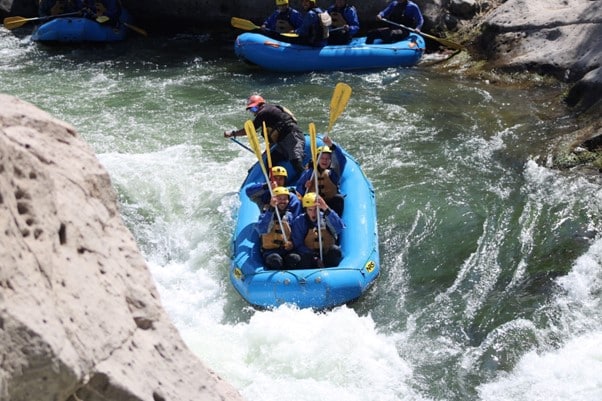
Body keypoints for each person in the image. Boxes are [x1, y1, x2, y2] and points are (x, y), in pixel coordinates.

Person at [224, 95, 306, 175]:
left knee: (295, 159)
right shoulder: (268, 116)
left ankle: (305, 181)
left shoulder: (264, 112)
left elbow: (249, 130)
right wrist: (266, 152)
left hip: (292, 135)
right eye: (252, 110)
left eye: (254, 108)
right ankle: (272, 184)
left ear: (261, 105)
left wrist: (233, 133)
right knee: (271, 161)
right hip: (281, 141)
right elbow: (271, 138)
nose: (254, 111)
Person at [295, 136, 346, 216]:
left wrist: (331, 145)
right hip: (314, 204)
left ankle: (335, 222)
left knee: (339, 199)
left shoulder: (333, 173)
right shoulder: (309, 173)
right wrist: (305, 188)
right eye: (321, 158)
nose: (324, 161)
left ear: (330, 161)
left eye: (327, 159)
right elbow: (299, 190)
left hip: (329, 204)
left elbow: (342, 160)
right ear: (316, 159)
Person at [290, 192, 345, 268]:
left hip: (326, 254)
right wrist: (315, 257)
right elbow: (298, 244)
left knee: (335, 250)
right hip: (310, 256)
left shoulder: (325, 217)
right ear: (306, 210)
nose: (313, 213)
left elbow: (339, 228)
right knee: (301, 258)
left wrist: (325, 207)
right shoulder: (299, 222)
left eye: (316, 209)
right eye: (310, 210)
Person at [256, 187, 301, 269]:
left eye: (285, 199)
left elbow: (296, 233)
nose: (282, 201)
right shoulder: (265, 214)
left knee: (295, 258)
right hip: (270, 252)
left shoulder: (290, 216)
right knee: (275, 260)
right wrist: (271, 210)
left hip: (286, 251)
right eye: (279, 199)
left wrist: (292, 243)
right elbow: (262, 229)